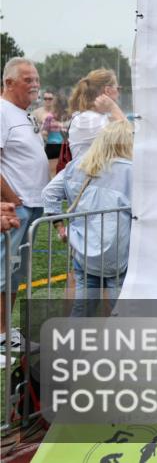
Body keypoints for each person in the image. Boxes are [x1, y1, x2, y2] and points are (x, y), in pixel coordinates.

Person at [42, 120, 133, 318]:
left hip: (84, 248)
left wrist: (60, 227)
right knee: (121, 310)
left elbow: (49, 193)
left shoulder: (78, 165)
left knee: (83, 309)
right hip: (119, 251)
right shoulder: (130, 170)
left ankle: (73, 346)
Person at [0, 58, 48, 352]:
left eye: (36, 79)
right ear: (9, 83)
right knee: (3, 271)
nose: (35, 85)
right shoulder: (2, 111)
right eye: (28, 80)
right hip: (15, 210)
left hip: (31, 206)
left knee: (14, 273)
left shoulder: (22, 113)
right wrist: (12, 199)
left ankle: (6, 331)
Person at [67, 68, 127, 159]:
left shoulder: (94, 117)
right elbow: (129, 139)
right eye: (118, 88)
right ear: (107, 90)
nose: (119, 92)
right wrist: (113, 107)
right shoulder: (88, 118)